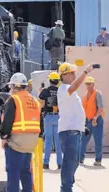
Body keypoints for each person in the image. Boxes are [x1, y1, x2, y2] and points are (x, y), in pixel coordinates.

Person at [0, 72, 43, 192]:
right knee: (25, 172)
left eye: (10, 87)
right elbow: (41, 122)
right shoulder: (34, 100)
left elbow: (7, 121)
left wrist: (3, 137)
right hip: (31, 142)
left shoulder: (14, 99)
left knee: (13, 172)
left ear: (14, 86)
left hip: (17, 142)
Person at [57, 62, 96, 192]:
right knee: (69, 163)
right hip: (69, 133)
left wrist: (82, 126)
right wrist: (85, 72)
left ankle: (68, 185)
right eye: (72, 73)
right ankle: (66, 188)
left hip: (75, 131)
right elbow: (73, 87)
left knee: (75, 161)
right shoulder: (63, 88)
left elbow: (74, 110)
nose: (74, 75)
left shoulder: (70, 91)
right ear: (65, 75)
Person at [38, 71, 62, 170]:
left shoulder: (45, 91)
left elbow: (42, 105)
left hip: (48, 117)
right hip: (58, 117)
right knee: (58, 141)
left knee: (48, 141)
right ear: (57, 81)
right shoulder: (61, 90)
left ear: (50, 80)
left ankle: (46, 163)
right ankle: (60, 163)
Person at [80, 76, 104, 166]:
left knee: (98, 141)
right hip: (87, 122)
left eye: (89, 84)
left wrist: (95, 117)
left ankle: (98, 160)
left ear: (93, 84)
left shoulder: (97, 94)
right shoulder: (85, 97)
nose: (87, 86)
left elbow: (100, 108)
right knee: (83, 140)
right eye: (86, 84)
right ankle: (80, 159)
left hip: (96, 121)